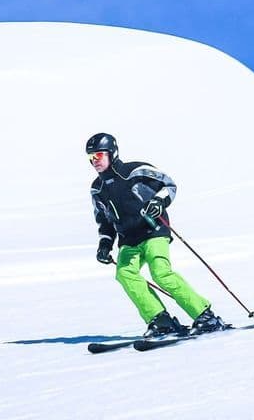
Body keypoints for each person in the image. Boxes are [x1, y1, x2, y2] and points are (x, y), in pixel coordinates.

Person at [85, 133, 226, 337]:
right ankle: (160, 320)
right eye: (91, 158)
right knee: (124, 274)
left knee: (160, 272)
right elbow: (104, 221)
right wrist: (105, 244)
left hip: (153, 231)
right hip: (128, 239)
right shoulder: (97, 189)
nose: (94, 161)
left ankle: (205, 316)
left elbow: (169, 185)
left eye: (98, 155)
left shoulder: (135, 171)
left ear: (112, 153)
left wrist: (159, 202)